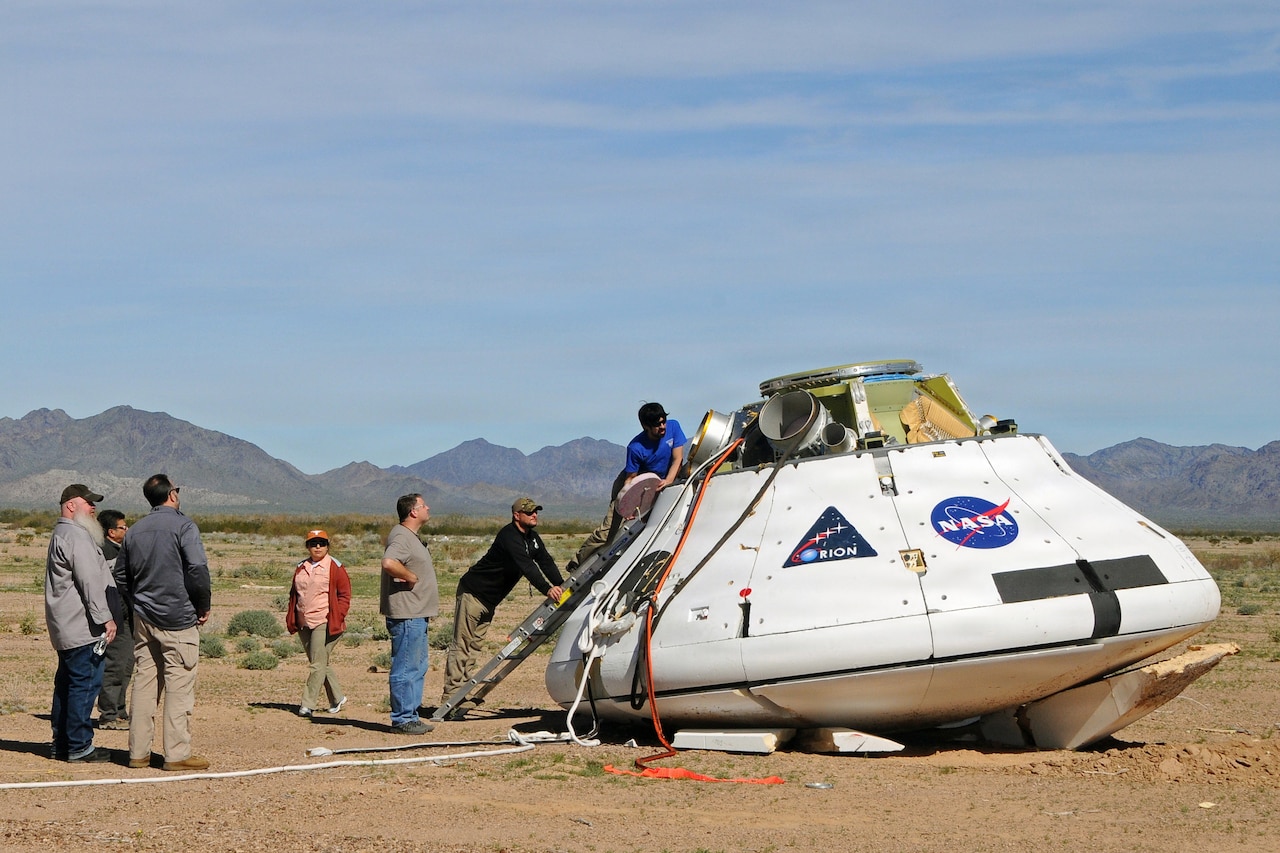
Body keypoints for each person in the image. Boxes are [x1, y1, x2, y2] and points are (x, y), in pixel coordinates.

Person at [114, 474, 212, 772]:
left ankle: (138, 753)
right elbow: (196, 568)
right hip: (179, 617)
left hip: (144, 617)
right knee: (179, 683)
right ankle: (177, 754)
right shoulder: (184, 526)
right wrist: (202, 605)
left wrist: (137, 603)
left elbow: (120, 575)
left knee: (145, 683)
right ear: (172, 495)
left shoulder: (135, 530)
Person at [440, 498, 565, 713]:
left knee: (475, 646)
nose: (534, 515)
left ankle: (462, 693)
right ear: (517, 515)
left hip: (489, 600)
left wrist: (561, 585)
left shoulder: (532, 539)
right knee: (462, 644)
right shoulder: (509, 536)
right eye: (529, 512)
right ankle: (450, 696)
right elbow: (526, 566)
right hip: (473, 593)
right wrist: (547, 589)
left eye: (536, 512)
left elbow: (545, 561)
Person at [564, 402, 688, 572]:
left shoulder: (673, 427)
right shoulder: (636, 447)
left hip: (659, 483)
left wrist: (669, 481)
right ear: (646, 426)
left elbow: (677, 459)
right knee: (607, 533)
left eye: (663, 421)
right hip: (631, 485)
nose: (662, 427)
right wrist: (628, 507)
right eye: (657, 424)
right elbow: (630, 480)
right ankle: (576, 563)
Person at [45, 484, 118, 762]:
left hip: (66, 625)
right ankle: (79, 746)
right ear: (71, 505)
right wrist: (105, 618)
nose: (93, 508)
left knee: (66, 684)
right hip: (82, 626)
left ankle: (61, 743)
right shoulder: (76, 535)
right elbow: (90, 582)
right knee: (85, 683)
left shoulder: (62, 532)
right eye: (88, 503)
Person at [380, 493, 439, 735]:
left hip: (415, 613)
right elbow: (389, 562)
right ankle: (403, 718)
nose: (428, 508)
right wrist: (411, 577)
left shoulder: (409, 536)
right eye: (424, 505)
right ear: (413, 511)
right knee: (406, 666)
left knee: (416, 665)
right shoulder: (402, 536)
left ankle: (410, 716)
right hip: (407, 614)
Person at [286, 529, 351, 718]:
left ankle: (307, 704)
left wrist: (338, 616)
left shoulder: (335, 567)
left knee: (316, 665)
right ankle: (337, 697)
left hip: (324, 621)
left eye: (321, 543)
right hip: (304, 622)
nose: (317, 547)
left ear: (327, 546)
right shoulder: (301, 567)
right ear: (307, 546)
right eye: (313, 543)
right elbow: (294, 594)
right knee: (319, 662)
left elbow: (345, 595)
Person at [95, 509, 133, 730]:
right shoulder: (104, 552)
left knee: (126, 664)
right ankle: (108, 715)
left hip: (128, 613)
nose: (126, 530)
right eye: (122, 527)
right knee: (114, 665)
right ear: (111, 531)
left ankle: (120, 711)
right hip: (114, 615)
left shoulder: (122, 550)